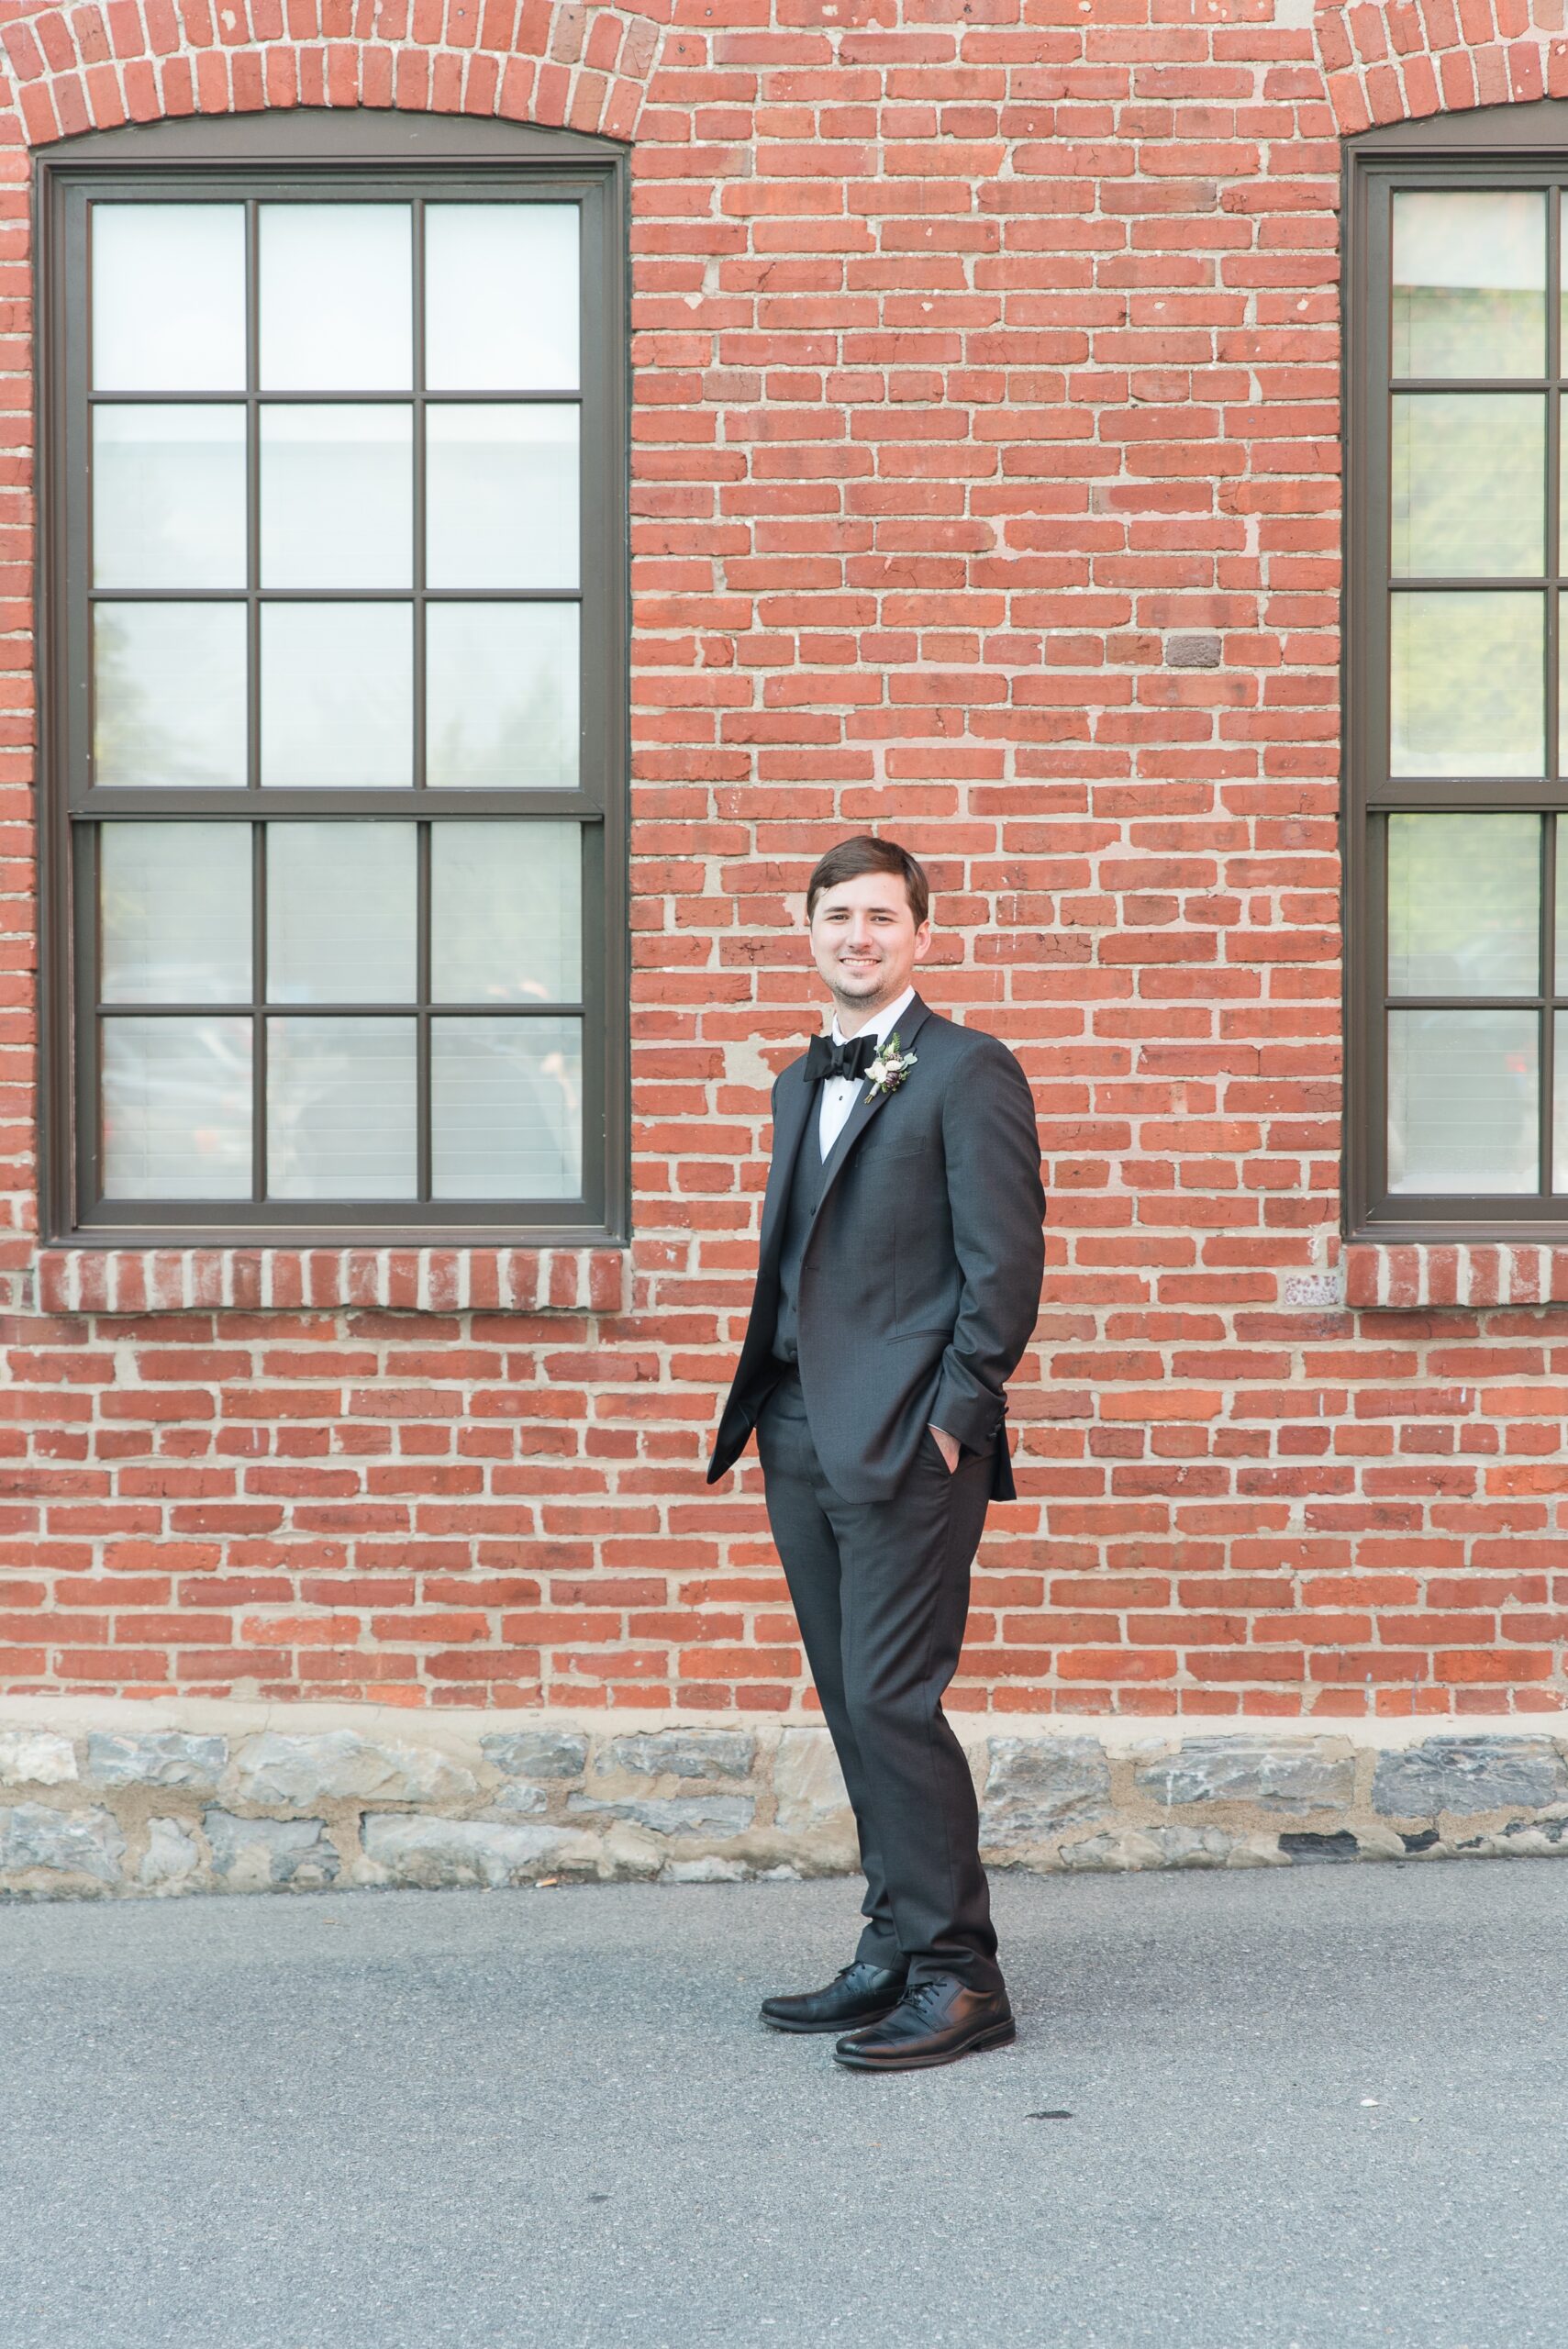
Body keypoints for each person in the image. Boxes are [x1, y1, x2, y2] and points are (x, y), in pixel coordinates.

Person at [707, 835, 1045, 2071]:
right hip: (794, 1428)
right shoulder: (801, 1081)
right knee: (853, 1704)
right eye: (837, 914)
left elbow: (1002, 1271)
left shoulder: (966, 1071)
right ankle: (893, 1942)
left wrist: (954, 1418)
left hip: (910, 1442)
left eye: (881, 918)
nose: (858, 935)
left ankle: (961, 1976)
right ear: (807, 929)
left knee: (896, 1702)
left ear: (918, 936)